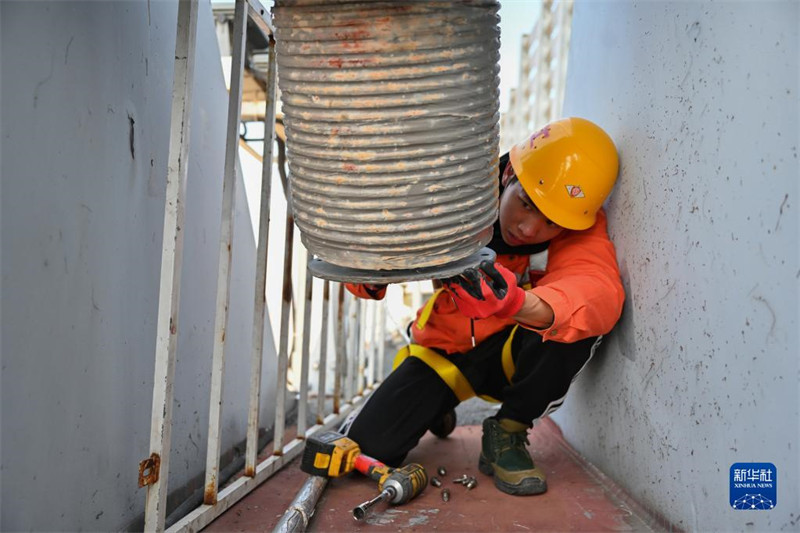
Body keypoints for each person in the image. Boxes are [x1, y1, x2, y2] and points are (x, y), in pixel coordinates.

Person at [343, 117, 625, 496]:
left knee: (575, 323)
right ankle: (434, 405)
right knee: (370, 447)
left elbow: (597, 291)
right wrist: (375, 269)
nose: (529, 229)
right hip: (447, 350)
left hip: (513, 356)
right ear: (508, 173)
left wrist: (517, 303)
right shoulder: (457, 197)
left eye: (551, 223)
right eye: (525, 204)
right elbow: (367, 260)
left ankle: (507, 431)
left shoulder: (578, 221)